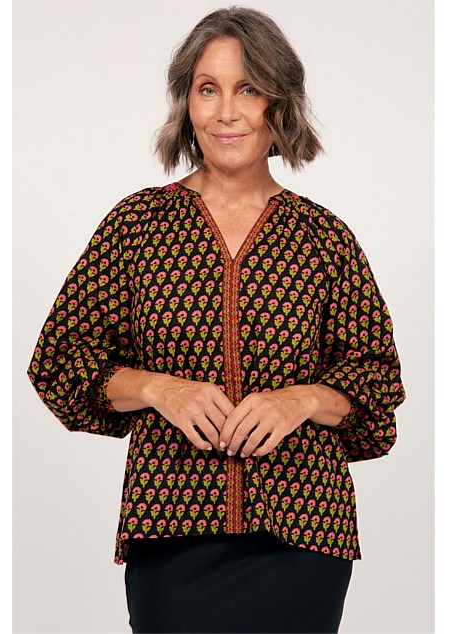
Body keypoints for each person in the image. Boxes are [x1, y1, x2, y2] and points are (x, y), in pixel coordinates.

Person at [27, 6, 406, 633]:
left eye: (248, 89)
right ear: (188, 104)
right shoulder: (137, 226)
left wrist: (305, 399)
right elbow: (60, 362)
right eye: (209, 89)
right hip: (170, 528)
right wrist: (158, 388)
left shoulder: (324, 238)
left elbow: (377, 385)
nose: (227, 111)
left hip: (303, 532)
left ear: (278, 104)